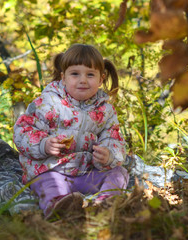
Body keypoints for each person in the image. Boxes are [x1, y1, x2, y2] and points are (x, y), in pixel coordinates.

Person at [13, 44, 129, 220]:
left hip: (87, 173)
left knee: (120, 173)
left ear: (101, 79)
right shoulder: (48, 102)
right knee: (47, 184)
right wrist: (44, 144)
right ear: (63, 77)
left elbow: (114, 139)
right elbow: (23, 130)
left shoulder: (105, 110)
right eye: (75, 74)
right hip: (52, 171)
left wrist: (109, 155)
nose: (83, 80)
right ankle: (59, 209)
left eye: (90, 74)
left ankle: (104, 205)